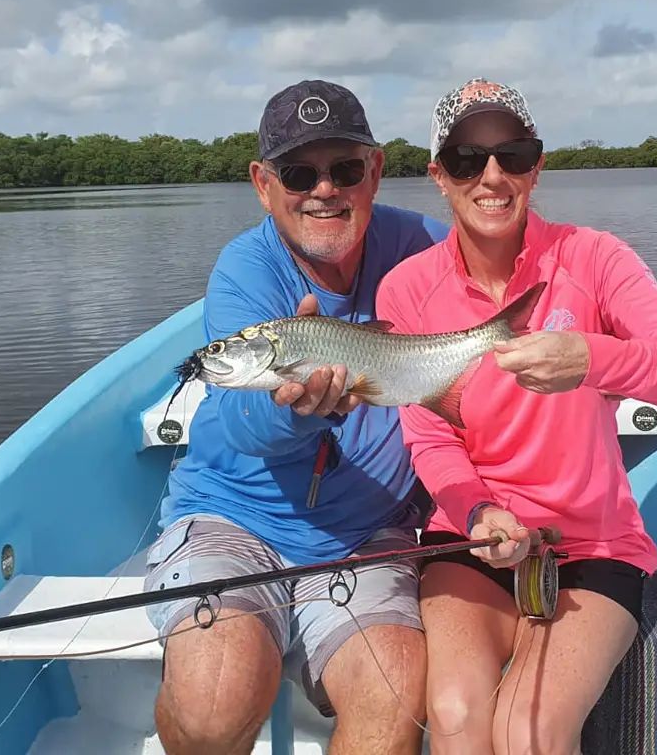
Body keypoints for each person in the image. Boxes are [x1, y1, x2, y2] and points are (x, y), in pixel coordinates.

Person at [374, 77, 657, 755]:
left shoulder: (594, 258)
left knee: (530, 729)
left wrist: (595, 359)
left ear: (537, 166)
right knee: (452, 712)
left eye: (512, 155)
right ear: (437, 177)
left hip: (591, 546)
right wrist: (480, 513)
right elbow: (428, 433)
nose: (491, 176)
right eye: (465, 160)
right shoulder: (408, 287)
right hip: (470, 539)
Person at [141, 79, 450, 755]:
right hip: (236, 518)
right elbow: (247, 426)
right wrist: (302, 414)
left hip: (367, 533)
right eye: (298, 172)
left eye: (344, 169)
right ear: (262, 183)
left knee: (395, 702)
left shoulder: (432, 250)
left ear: (375, 171)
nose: (323, 190)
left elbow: (492, 331)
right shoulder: (245, 270)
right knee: (209, 706)